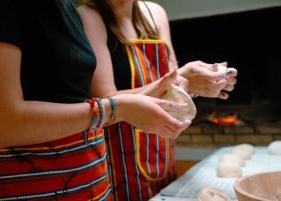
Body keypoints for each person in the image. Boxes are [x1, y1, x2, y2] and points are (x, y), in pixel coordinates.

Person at [0, 0, 193, 200]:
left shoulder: (67, 8)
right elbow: (1, 124)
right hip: (36, 185)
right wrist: (115, 110)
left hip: (92, 181)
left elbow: (76, 98)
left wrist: (173, 84)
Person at [78, 0, 237, 200]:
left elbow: (173, 85)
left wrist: (198, 83)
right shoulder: (89, 16)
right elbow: (105, 100)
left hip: (161, 147)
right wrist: (178, 76)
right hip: (119, 154)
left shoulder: (156, 14)